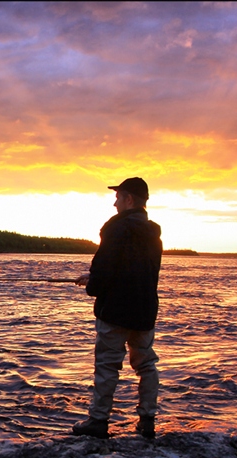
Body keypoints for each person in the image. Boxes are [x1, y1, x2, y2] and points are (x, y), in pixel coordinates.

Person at [72, 177, 162, 439]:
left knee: (107, 366)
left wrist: (93, 284)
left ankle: (98, 421)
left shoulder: (116, 228)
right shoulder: (153, 232)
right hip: (144, 311)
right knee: (146, 365)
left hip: (115, 311)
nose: (115, 203)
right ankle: (147, 421)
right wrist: (95, 279)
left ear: (129, 199)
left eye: (118, 197)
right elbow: (138, 271)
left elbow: (106, 267)